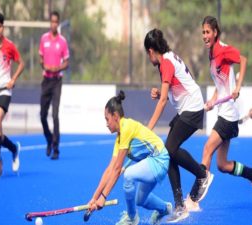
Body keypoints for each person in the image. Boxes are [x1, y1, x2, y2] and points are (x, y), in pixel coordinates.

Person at [144, 28, 213, 222]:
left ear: (150, 50)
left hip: (192, 109)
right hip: (188, 108)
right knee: (168, 153)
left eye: (147, 53)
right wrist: (160, 93)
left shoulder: (166, 62)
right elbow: (172, 89)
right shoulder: (167, 59)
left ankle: (202, 175)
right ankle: (180, 206)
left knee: (169, 149)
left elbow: (164, 101)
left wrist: (148, 128)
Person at [186, 16, 252, 208]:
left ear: (215, 33)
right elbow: (220, 83)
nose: (205, 36)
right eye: (203, 32)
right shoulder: (212, 54)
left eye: (208, 32)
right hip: (224, 112)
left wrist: (237, 87)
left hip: (229, 115)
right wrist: (213, 100)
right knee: (222, 165)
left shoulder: (223, 50)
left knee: (207, 149)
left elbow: (243, 59)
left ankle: (194, 198)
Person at [88, 91, 171, 225]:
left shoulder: (126, 127)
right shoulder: (119, 137)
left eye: (107, 119)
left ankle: (132, 218)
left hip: (159, 160)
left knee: (128, 175)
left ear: (115, 116)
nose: (106, 124)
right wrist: (94, 198)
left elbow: (117, 170)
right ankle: (164, 208)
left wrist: (103, 197)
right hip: (150, 163)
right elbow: (110, 169)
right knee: (140, 200)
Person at [0, 12, 24, 180]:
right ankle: (14, 148)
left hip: (5, 91)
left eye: (0, 26)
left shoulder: (10, 45)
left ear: (3, 27)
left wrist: (13, 79)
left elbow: (21, 63)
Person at [39, 11, 69, 160]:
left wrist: (58, 68)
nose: (54, 24)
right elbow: (40, 58)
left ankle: (56, 148)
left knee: (55, 114)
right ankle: (49, 139)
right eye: (52, 21)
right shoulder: (43, 39)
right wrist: (44, 65)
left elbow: (67, 62)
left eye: (56, 22)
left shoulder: (62, 41)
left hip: (57, 81)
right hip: (46, 81)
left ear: (58, 23)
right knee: (42, 115)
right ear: (49, 23)